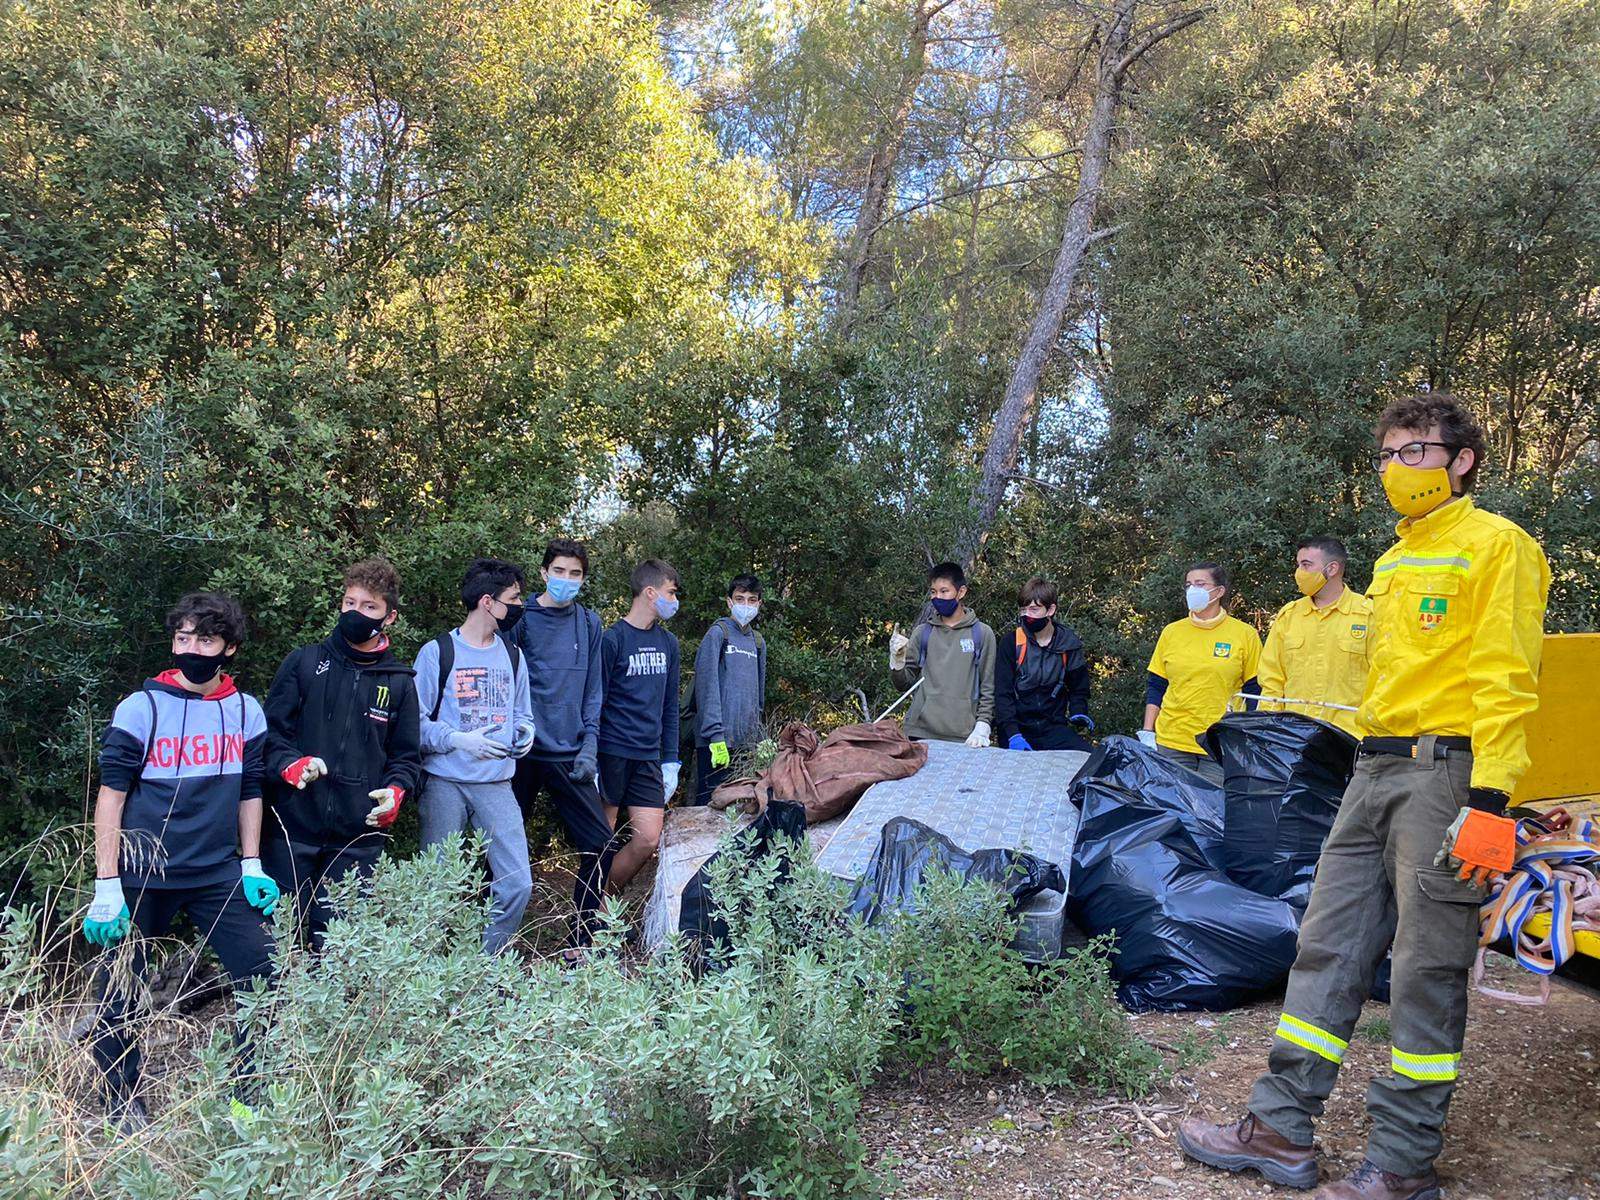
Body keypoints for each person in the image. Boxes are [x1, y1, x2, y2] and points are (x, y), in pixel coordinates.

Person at [1179, 391, 1550, 1200]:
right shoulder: (1393, 558)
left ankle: (1403, 1162)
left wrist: (1490, 801)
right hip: (1372, 768)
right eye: (1386, 454)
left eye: (1413, 451)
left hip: (1445, 774)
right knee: (1328, 941)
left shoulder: (1500, 547)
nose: (1395, 468)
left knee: (1424, 967)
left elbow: (1508, 681)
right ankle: (1280, 1126)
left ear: (1463, 461)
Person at [83, 592, 277, 1131]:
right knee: (120, 989)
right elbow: (111, 797)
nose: (191, 649)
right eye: (182, 637)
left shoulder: (245, 710)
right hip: (142, 873)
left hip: (216, 872)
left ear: (229, 649)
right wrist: (106, 883)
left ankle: (248, 1095)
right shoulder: (140, 707)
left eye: (205, 639)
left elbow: (251, 789)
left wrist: (252, 863)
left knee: (265, 974)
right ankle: (121, 1102)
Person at [261, 557, 421, 950]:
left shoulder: (399, 683)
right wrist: (289, 765)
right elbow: (268, 737)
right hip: (290, 830)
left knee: (335, 952)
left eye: (369, 607)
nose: (356, 613)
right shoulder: (304, 663)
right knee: (272, 945)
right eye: (350, 603)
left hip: (357, 841)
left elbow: (407, 759)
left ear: (390, 617)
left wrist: (396, 792)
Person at [415, 558, 536, 956]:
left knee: (518, 882)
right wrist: (457, 739)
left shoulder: (513, 655)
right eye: (513, 598)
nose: (519, 605)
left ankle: (483, 965)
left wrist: (525, 731)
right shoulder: (438, 652)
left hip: (497, 783)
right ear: (488, 602)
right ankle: (429, 972)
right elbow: (413, 725)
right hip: (445, 782)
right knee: (436, 884)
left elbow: (523, 713)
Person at [509, 538, 615, 956]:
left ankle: (580, 942)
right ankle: (489, 944)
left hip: (570, 754)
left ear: (583, 579)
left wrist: (590, 744)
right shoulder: (520, 618)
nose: (566, 580)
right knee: (502, 848)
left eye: (575, 574)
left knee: (601, 844)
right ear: (543, 572)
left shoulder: (589, 623)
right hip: (523, 754)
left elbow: (594, 689)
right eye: (559, 572)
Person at [598, 559, 682, 893]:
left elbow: (670, 706)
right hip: (611, 754)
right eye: (671, 593)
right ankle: (588, 924)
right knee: (599, 843)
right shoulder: (612, 640)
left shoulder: (668, 643)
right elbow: (595, 702)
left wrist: (671, 761)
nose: (674, 601)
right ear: (650, 593)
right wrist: (589, 756)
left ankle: (601, 902)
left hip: (648, 758)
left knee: (647, 839)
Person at [1142, 562, 1262, 785]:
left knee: (1211, 810)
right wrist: (1148, 731)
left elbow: (1254, 689)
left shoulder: (1244, 634)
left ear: (1219, 591)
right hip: (1172, 739)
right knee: (1172, 807)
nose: (1192, 590)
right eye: (1188, 585)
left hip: (1219, 741)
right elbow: (1156, 684)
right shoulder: (1172, 632)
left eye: (1200, 583)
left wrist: (1251, 735)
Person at [1257, 537, 1373, 738]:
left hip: (1350, 739)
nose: (1299, 573)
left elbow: (1382, 678)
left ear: (1332, 568)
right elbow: (1272, 679)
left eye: (1306, 565)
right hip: (1294, 738)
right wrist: (1266, 729)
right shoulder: (1289, 615)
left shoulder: (1368, 615)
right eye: (1298, 565)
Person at [889, 561, 998, 746]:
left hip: (965, 736)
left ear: (961, 592)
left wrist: (983, 725)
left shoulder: (981, 634)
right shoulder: (923, 632)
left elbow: (988, 687)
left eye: (944, 591)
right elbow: (904, 684)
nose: (937, 597)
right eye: (933, 592)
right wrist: (897, 662)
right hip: (919, 733)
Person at [691, 573, 767, 805]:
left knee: (740, 811)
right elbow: (706, 688)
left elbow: (759, 694)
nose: (746, 605)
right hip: (717, 744)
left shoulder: (758, 642)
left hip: (746, 744)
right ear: (729, 602)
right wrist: (715, 736)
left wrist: (759, 738)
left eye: (752, 599)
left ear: (759, 603)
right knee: (709, 807)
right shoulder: (718, 634)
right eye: (740, 598)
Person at [993, 577, 1093, 752]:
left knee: (1088, 758)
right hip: (1016, 729)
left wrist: (1079, 710)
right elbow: (1003, 694)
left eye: (1034, 609)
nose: (1027, 615)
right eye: (1024, 610)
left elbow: (1079, 687)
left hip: (1053, 727)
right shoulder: (1012, 642)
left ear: (1050, 609)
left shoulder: (1068, 644)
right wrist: (1013, 735)